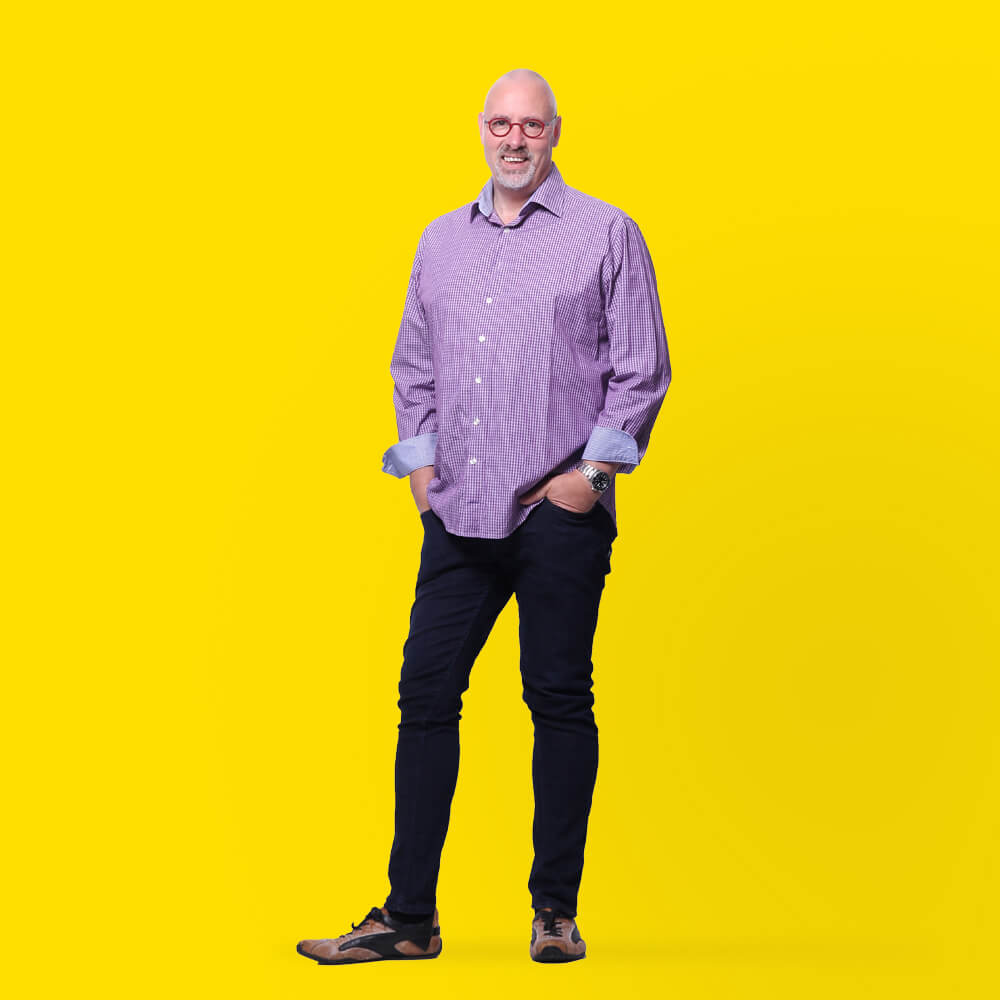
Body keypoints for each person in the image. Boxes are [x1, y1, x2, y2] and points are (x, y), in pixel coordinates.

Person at [297, 67, 671, 966]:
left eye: (531, 126)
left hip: (558, 510)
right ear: (480, 130)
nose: (514, 140)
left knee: (556, 699)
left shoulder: (605, 233)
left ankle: (554, 913)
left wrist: (591, 476)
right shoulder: (440, 240)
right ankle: (408, 919)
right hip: (458, 512)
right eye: (500, 124)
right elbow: (412, 360)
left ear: (554, 133)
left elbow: (642, 367)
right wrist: (418, 468)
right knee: (425, 696)